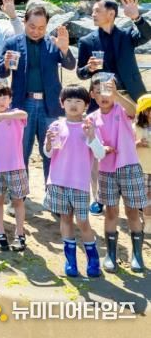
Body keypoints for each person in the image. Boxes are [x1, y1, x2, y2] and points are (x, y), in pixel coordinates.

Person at [0, 6, 75, 181]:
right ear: (24, 22)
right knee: (21, 151)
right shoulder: (12, 43)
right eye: (32, 26)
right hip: (22, 104)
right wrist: (6, 64)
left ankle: (51, 190)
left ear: (47, 26)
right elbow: (1, 72)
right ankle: (20, 191)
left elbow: (70, 65)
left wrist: (64, 49)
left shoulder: (53, 43)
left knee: (51, 150)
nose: (36, 31)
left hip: (50, 105)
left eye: (41, 28)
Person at [43, 85, 105, 277]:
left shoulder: (89, 126)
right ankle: (71, 261)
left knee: (83, 222)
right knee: (65, 219)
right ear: (62, 103)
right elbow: (48, 153)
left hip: (79, 184)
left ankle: (93, 260)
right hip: (58, 181)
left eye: (78, 101)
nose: (73, 104)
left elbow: (100, 154)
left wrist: (92, 136)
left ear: (86, 105)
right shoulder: (56, 126)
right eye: (69, 100)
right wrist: (47, 143)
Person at [88, 76, 146, 273]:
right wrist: (102, 148)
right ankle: (111, 255)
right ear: (92, 95)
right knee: (111, 212)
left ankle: (137, 255)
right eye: (98, 91)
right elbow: (94, 145)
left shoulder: (121, 109)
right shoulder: (92, 118)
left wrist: (117, 95)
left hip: (130, 167)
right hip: (106, 171)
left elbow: (134, 111)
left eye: (107, 91)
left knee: (132, 211)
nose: (103, 95)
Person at [77, 0, 151, 102]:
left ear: (111, 13)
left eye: (97, 11)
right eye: (93, 11)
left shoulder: (127, 35)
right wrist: (89, 68)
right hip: (103, 96)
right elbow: (80, 73)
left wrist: (136, 17)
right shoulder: (86, 41)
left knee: (140, 113)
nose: (93, 14)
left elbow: (147, 35)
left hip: (132, 92)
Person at [0, 83, 29, 252]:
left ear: (10, 99)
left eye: (5, 97)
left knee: (18, 201)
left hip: (16, 166)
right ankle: (0, 232)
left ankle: (20, 233)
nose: (1, 101)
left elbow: (24, 114)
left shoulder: (15, 115)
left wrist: (4, 116)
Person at [134, 94, 151, 235]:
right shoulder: (136, 128)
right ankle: (148, 222)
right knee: (146, 197)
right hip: (143, 169)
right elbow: (126, 146)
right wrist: (137, 143)